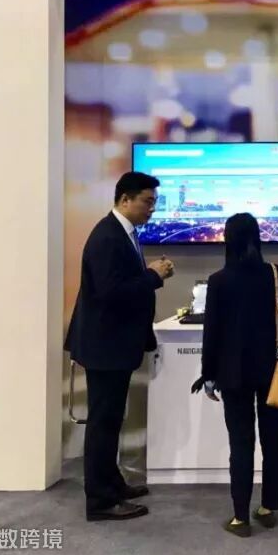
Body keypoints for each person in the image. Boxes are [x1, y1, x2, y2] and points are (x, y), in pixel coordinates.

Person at [64, 172, 175, 522]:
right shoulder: (107, 237)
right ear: (125, 199)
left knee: (111, 420)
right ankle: (100, 501)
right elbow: (110, 292)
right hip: (105, 345)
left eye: (155, 202)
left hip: (112, 344)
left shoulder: (123, 233)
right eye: (147, 202)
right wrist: (153, 275)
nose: (152, 209)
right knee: (103, 422)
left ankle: (112, 484)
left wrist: (150, 275)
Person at [200, 213, 278, 538]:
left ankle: (240, 517)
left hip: (233, 374)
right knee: (273, 439)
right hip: (272, 370)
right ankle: (269, 506)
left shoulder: (218, 281)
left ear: (227, 240)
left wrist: (208, 375)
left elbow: (212, 333)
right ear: (258, 237)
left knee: (240, 443)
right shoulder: (275, 274)